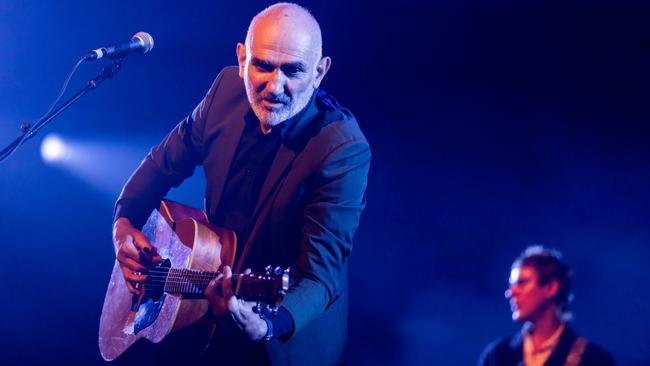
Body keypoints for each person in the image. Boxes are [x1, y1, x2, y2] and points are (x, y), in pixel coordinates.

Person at [111, 3, 370, 365]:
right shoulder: (225, 90)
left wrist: (265, 325)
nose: (274, 85)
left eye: (293, 70)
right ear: (242, 56)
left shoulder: (341, 147)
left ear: (319, 72)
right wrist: (123, 226)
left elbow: (320, 277)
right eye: (262, 65)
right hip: (203, 308)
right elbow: (159, 165)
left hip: (282, 337)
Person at [478, 246, 615, 366]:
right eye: (512, 285)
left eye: (522, 283)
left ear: (551, 288)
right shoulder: (497, 356)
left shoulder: (592, 360)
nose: (511, 292)